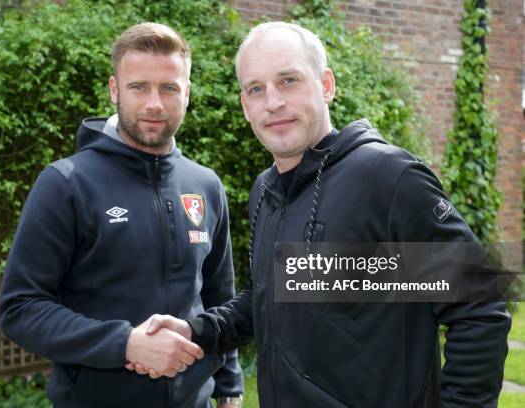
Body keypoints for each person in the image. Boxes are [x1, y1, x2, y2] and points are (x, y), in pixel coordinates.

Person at [132, 22, 511, 407]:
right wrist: (196, 331)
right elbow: (270, 292)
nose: (273, 102)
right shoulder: (266, 190)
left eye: (289, 81)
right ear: (246, 106)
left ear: (326, 85)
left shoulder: (387, 177)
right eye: (256, 89)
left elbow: (479, 305)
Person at [0, 22, 243, 408]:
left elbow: (217, 296)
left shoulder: (206, 185)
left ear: (187, 93)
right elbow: (20, 308)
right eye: (138, 87)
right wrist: (125, 344)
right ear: (115, 90)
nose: (154, 104)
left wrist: (229, 385)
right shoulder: (66, 183)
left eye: (169, 88)